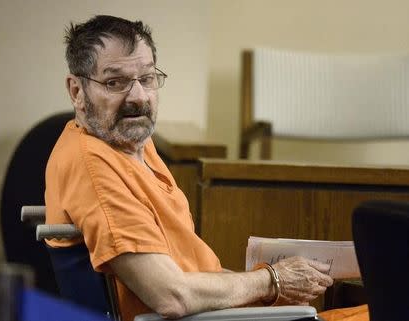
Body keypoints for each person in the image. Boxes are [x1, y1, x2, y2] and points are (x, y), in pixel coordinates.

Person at [45, 15, 335, 321]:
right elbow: (172, 296)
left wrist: (274, 283)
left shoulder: (131, 143)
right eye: (115, 82)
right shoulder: (96, 165)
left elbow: (189, 271)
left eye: (146, 78)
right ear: (77, 91)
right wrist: (271, 280)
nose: (139, 97)